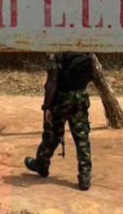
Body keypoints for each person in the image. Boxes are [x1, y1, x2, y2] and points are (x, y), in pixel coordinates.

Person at [24, 52, 95, 191]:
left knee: (52, 134)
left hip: (61, 99)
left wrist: (46, 107)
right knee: (82, 137)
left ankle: (41, 165)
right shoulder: (89, 54)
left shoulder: (55, 55)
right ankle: (84, 176)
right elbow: (91, 76)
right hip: (80, 98)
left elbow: (52, 81)